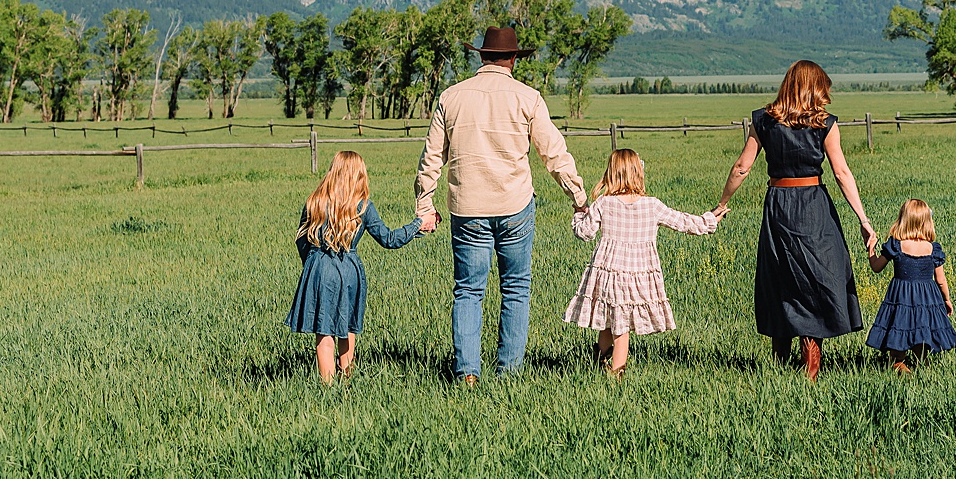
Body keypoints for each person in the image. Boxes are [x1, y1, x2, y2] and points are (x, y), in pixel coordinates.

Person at [414, 25, 587, 384]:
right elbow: (553, 153)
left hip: (467, 209)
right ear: (513, 59)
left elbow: (431, 158)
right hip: (515, 206)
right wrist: (579, 198)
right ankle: (509, 374)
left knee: (467, 291)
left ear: (481, 56)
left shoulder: (451, 97)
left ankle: (467, 374)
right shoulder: (528, 97)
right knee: (516, 289)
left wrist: (424, 205)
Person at [713, 60, 875, 379]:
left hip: (778, 204)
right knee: (817, 276)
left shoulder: (763, 120)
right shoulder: (825, 123)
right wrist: (863, 219)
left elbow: (741, 168)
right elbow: (841, 172)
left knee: (780, 277)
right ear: (814, 87)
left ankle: (781, 359)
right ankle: (810, 359)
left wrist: (722, 204)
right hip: (814, 204)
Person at [563, 149, 722, 378]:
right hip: (637, 275)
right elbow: (684, 222)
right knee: (621, 323)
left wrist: (579, 213)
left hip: (607, 273)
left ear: (611, 173)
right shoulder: (652, 205)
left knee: (611, 319)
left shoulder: (603, 203)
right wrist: (710, 219)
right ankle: (616, 373)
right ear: (639, 172)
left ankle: (602, 362)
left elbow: (585, 232)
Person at [286, 150, 426, 384]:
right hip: (350, 270)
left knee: (324, 330)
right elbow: (389, 239)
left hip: (319, 267)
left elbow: (301, 241)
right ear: (359, 175)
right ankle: (347, 379)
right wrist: (418, 225)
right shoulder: (363, 206)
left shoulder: (314, 201)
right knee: (348, 324)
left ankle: (327, 386)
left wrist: (312, 267)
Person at [866, 199, 956, 373]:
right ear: (927, 222)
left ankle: (900, 366)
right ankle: (922, 370)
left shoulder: (895, 245)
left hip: (901, 297)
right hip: (927, 299)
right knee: (922, 336)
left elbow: (876, 267)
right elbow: (941, 280)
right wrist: (946, 299)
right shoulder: (933, 249)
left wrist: (871, 250)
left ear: (903, 220)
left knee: (899, 335)